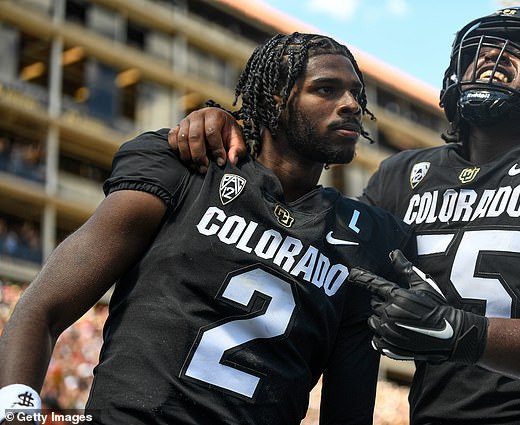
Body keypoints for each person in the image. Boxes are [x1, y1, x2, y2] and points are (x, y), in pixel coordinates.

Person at [166, 7, 520, 424]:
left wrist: (462, 334)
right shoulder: (402, 174)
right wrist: (235, 131)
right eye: (482, 47)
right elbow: (310, 258)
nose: (495, 55)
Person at [0, 32, 416, 425]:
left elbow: (347, 413)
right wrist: (15, 414)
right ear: (276, 100)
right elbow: (42, 307)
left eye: (356, 95)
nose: (351, 105)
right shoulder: (189, 167)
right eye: (326, 89)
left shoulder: (365, 238)